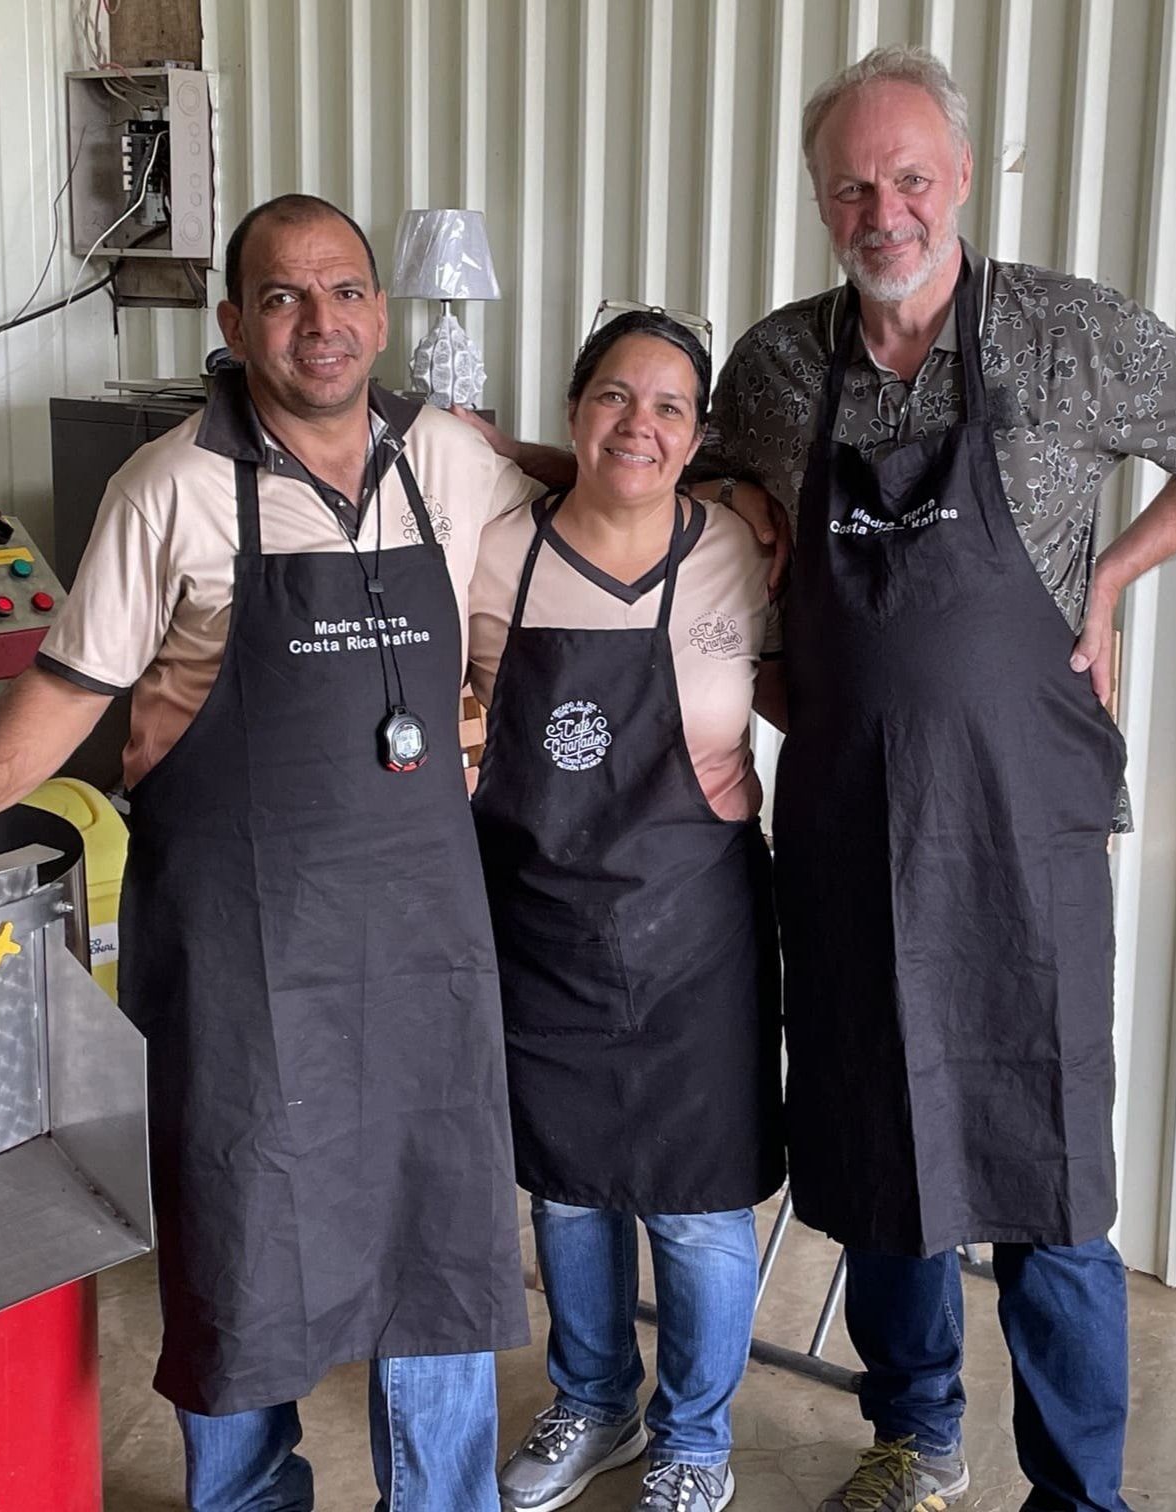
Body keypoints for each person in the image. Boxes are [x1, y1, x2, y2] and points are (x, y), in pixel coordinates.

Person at [0, 194, 539, 1512]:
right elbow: (70, 685)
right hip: (242, 949)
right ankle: (248, 1497)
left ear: (380, 314)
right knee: (245, 1238)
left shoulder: (448, 458)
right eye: (281, 296)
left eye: (342, 293)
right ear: (233, 323)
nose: (318, 323)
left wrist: (639, 452)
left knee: (432, 1241)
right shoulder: (172, 486)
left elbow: (565, 518)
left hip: (424, 946)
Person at [702, 45, 1176, 1512]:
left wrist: (1118, 584)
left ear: (962, 179)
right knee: (876, 1137)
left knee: (1045, 1167)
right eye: (853, 183)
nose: (882, 208)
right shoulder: (775, 365)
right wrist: (750, 654)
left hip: (1023, 827)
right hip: (842, 822)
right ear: (822, 198)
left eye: (909, 178)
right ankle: (915, 1433)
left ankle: (1078, 1488)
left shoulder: (1064, 331)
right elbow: (711, 522)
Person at [468, 310, 786, 1512]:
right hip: (541, 917)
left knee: (697, 1207)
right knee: (568, 1186)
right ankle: (592, 1401)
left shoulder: (740, 552)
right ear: (572, 411)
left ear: (697, 434)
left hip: (695, 922)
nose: (636, 424)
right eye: (612, 396)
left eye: (665, 405)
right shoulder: (498, 552)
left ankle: (695, 1439)